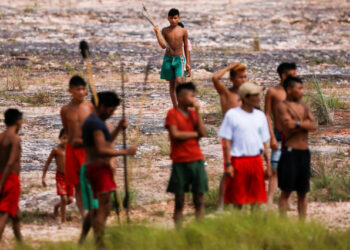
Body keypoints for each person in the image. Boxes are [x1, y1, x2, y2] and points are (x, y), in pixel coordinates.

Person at [79, 91, 137, 248]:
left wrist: (118, 128)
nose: (112, 114)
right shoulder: (96, 123)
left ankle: (83, 242)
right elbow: (101, 150)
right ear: (103, 107)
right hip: (98, 168)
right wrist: (125, 152)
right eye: (111, 110)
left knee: (96, 210)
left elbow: (106, 142)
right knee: (103, 209)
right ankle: (100, 243)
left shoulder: (95, 121)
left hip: (95, 168)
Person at [218, 82, 271, 209]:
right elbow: (227, 141)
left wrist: (268, 164)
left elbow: (264, 142)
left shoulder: (260, 116)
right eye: (255, 95)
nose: (259, 98)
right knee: (238, 200)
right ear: (245, 98)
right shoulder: (232, 115)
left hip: (256, 161)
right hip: (239, 161)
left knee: (256, 199)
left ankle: (253, 227)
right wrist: (228, 164)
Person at [165, 82, 208, 227]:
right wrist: (194, 134)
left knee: (199, 199)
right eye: (191, 96)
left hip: (197, 158)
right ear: (181, 96)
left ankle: (200, 230)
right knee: (179, 201)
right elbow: (175, 134)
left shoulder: (194, 114)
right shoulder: (172, 113)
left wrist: (198, 112)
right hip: (180, 160)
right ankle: (179, 231)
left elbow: (203, 133)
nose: (193, 99)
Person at [276, 76, 317, 219]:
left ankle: (302, 223)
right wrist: (303, 123)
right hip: (290, 152)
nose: (302, 91)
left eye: (302, 88)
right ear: (289, 89)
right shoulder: (282, 106)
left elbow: (314, 125)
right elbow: (288, 126)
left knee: (302, 192)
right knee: (286, 191)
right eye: (299, 88)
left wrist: (298, 124)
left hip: (304, 152)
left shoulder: (304, 106)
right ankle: (282, 222)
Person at [212, 63, 247, 211]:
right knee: (229, 170)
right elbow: (214, 78)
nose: (244, 80)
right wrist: (230, 66)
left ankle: (240, 202)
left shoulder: (246, 96)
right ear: (232, 79)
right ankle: (221, 205)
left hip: (244, 136)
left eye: (245, 77)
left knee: (243, 170)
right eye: (240, 77)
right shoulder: (226, 93)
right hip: (230, 137)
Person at [60, 75, 94, 217]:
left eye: (82, 89)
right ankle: (84, 214)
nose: (80, 92)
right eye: (77, 89)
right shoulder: (65, 109)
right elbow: (66, 131)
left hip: (87, 150)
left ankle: (93, 211)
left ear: (86, 91)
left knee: (90, 182)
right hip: (72, 150)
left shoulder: (90, 106)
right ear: (70, 91)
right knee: (77, 185)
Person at [265, 62, 297, 204]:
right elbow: (266, 114)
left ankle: (287, 200)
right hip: (278, 134)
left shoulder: (294, 91)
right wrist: (271, 136)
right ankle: (269, 199)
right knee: (275, 169)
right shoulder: (273, 92)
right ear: (283, 75)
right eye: (292, 75)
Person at [154, 8, 191, 107]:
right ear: (168, 19)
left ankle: (181, 103)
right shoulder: (165, 31)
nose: (173, 20)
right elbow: (163, 45)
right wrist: (157, 33)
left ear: (178, 18)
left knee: (179, 81)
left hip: (179, 59)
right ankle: (176, 107)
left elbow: (186, 47)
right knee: (171, 85)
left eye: (175, 18)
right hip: (168, 59)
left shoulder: (183, 31)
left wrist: (188, 63)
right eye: (171, 18)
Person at [0, 109, 23, 242]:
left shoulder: (1, 136)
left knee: (16, 215)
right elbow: (10, 162)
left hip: (1, 175)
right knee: (4, 214)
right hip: (10, 178)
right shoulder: (15, 138)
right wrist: (2, 183)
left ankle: (20, 244)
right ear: (19, 121)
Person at [42, 129, 74, 223]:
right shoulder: (56, 150)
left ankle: (57, 206)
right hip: (60, 177)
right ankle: (63, 221)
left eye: (68, 138)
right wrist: (43, 177)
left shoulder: (71, 149)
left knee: (70, 200)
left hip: (70, 177)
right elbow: (47, 163)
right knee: (64, 198)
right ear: (60, 138)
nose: (66, 140)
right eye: (64, 138)